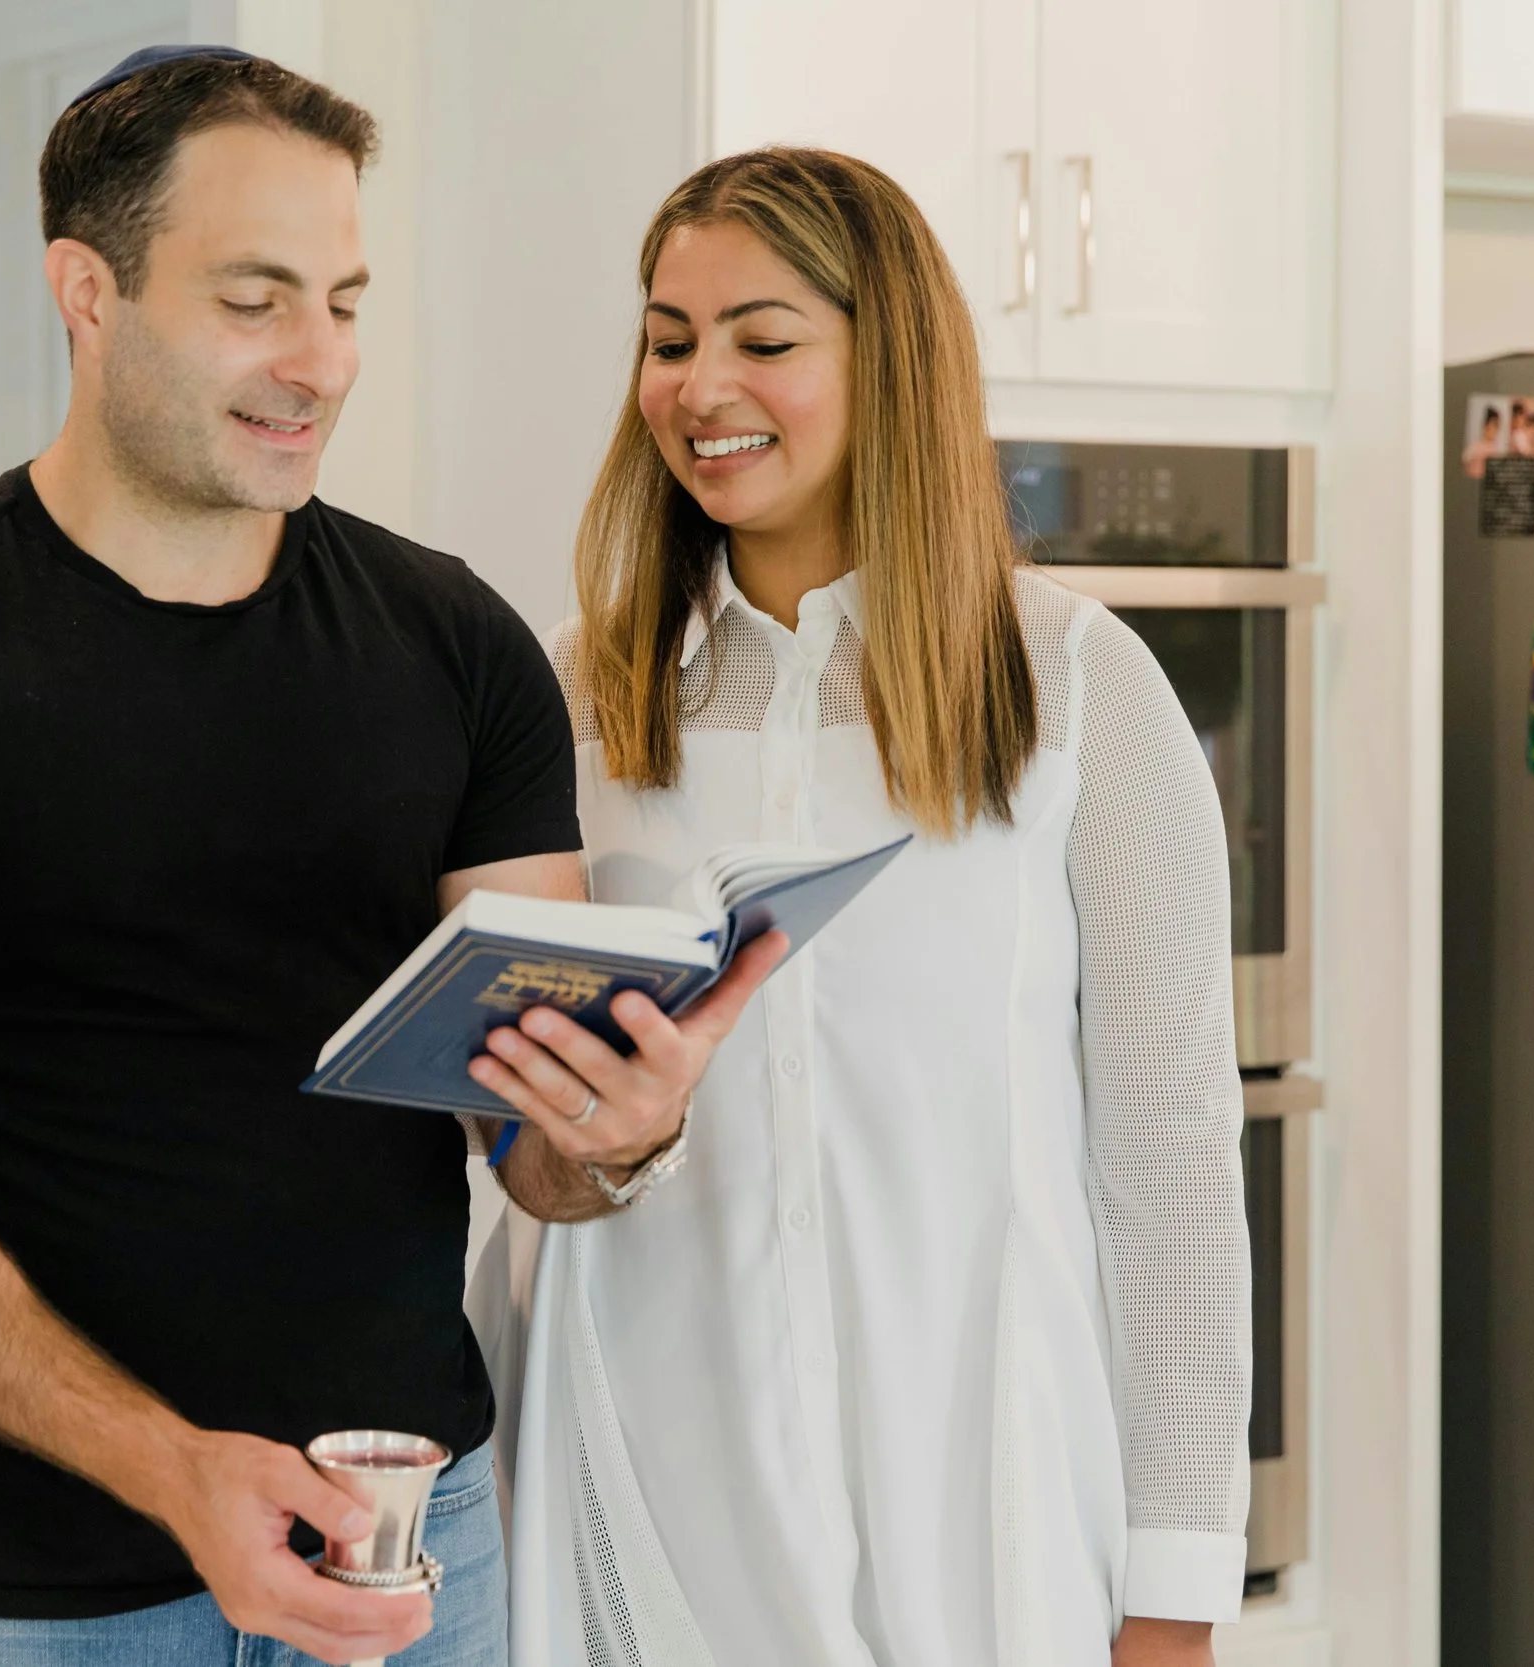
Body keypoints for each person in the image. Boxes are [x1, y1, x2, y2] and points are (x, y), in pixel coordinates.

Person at [0, 47, 775, 1667]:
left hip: (409, 1552)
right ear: (87, 288)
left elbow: (524, 1142)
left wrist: (616, 1134)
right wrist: (176, 1472)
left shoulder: (460, 649)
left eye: (344, 298)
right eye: (256, 298)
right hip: (25, 1594)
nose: (319, 361)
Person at [474, 148, 1251, 1667]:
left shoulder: (1075, 682)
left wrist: (1177, 1586)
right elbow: (513, 1122)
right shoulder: (570, 693)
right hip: (643, 1445)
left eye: (764, 339)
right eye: (668, 338)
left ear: (885, 354)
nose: (703, 386)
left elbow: (1169, 1167)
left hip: (985, 1468)